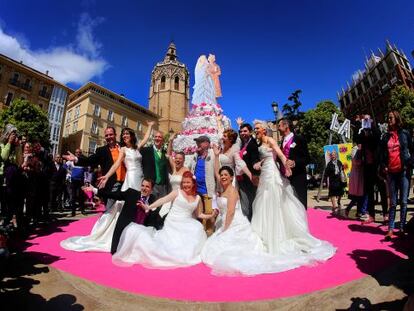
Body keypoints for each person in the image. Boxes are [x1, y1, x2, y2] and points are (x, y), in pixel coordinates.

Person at [202, 166, 324, 276]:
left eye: (226, 175)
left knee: (227, 247)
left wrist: (225, 229)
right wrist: (217, 156)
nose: (223, 177)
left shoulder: (232, 191)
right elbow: (218, 176)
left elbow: (231, 212)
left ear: (231, 177)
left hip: (233, 223)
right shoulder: (222, 190)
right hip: (224, 221)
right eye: (221, 175)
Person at [251, 120, 336, 259]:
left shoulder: (281, 140)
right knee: (270, 202)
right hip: (269, 174)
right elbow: (273, 156)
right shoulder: (268, 142)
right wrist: (260, 163)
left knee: (293, 204)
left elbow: (281, 155)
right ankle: (269, 233)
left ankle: (299, 232)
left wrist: (289, 164)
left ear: (264, 130)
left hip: (289, 176)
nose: (256, 130)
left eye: (257, 128)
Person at [112, 171, 216, 268]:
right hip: (173, 222)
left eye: (188, 182)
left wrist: (211, 215)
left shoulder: (197, 198)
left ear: (193, 183)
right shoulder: (177, 192)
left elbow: (199, 214)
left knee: (197, 229)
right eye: (184, 182)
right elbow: (163, 200)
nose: (185, 185)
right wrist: (149, 207)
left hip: (187, 222)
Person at [61, 178, 156, 253]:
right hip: (126, 232)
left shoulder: (153, 200)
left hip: (141, 233)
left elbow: (154, 220)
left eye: (147, 187)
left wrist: (147, 209)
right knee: (121, 251)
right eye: (142, 185)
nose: (144, 188)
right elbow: (113, 195)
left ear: (151, 190)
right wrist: (95, 190)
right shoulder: (132, 193)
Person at [64, 127, 125, 212]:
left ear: (115, 135)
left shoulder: (123, 147)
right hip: (110, 184)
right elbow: (90, 160)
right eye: (106, 135)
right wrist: (76, 159)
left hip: (125, 183)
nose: (109, 137)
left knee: (124, 210)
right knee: (110, 211)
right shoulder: (101, 150)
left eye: (111, 134)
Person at [380, 111, 412, 240]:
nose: (389, 120)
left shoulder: (405, 134)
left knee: (404, 201)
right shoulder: (385, 137)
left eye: (391, 118)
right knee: (393, 202)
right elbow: (381, 154)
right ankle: (391, 229)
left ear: (397, 119)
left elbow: (412, 149)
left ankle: (402, 228)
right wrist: (384, 166)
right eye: (388, 118)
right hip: (391, 173)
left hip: (403, 171)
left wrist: (410, 163)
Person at [277, 117, 310, 209]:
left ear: (286, 126)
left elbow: (307, 158)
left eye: (279, 126)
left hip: (298, 177)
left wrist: (295, 162)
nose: (278, 128)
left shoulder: (299, 139)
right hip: (285, 178)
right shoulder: (281, 142)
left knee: (299, 203)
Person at [187, 135, 217, 235]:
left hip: (208, 191)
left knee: (209, 214)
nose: (197, 144)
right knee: (196, 214)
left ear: (207, 144)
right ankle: (198, 234)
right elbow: (189, 169)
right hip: (195, 191)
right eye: (197, 142)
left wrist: (220, 189)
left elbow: (217, 172)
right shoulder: (195, 156)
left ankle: (208, 235)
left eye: (200, 142)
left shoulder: (212, 156)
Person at [235, 119, 261, 221]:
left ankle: (253, 223)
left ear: (250, 132)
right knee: (245, 203)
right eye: (241, 132)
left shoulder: (253, 143)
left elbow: (255, 158)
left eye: (245, 131)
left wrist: (255, 174)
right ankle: (247, 223)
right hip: (242, 178)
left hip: (251, 178)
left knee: (252, 202)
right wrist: (239, 125)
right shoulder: (243, 144)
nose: (242, 133)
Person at [141, 130, 170, 200]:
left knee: (161, 207)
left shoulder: (164, 153)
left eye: (159, 137)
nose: (157, 138)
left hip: (163, 186)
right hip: (150, 185)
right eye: (156, 137)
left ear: (162, 140)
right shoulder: (146, 150)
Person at [325, 150, 346, 215]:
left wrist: (343, 178)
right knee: (332, 194)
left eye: (334, 155)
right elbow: (327, 174)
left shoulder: (339, 162)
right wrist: (327, 182)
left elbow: (342, 170)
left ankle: (339, 201)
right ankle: (335, 206)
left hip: (339, 180)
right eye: (332, 155)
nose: (333, 156)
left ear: (336, 155)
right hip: (332, 180)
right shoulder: (329, 164)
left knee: (340, 193)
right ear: (331, 156)